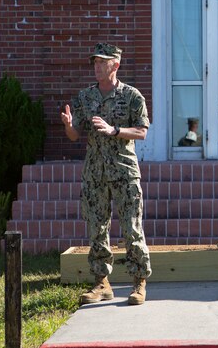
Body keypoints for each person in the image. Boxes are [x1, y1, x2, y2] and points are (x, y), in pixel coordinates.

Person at [60, 43, 152, 306]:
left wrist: (114, 130)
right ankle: (102, 283)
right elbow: (75, 135)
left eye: (102, 62)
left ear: (116, 65)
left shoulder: (132, 96)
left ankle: (138, 283)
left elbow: (142, 132)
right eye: (95, 62)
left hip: (124, 172)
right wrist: (68, 126)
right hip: (94, 174)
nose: (97, 67)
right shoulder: (85, 97)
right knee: (97, 229)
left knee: (132, 228)